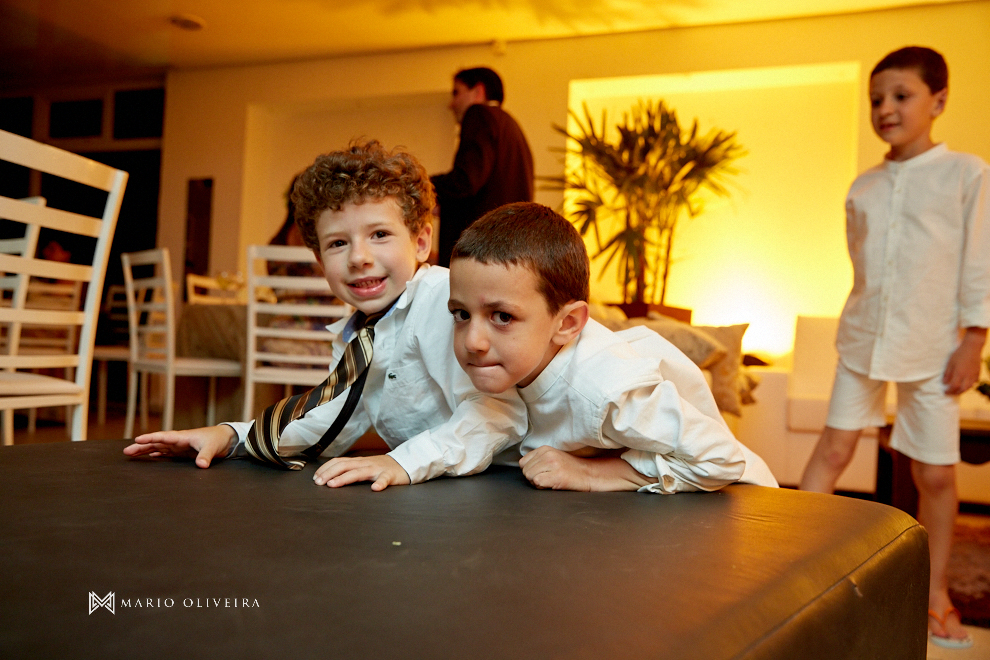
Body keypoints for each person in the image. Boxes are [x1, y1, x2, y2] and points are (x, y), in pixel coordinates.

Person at [123, 140, 527, 490]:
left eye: (379, 234)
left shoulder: (444, 303)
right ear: (319, 261)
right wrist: (231, 437)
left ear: (421, 241)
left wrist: (401, 462)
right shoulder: (358, 335)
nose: (359, 258)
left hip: (515, 485)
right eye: (337, 243)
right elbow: (329, 420)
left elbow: (498, 413)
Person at [798, 46, 990, 650]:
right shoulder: (864, 186)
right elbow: (862, 265)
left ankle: (935, 591)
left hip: (934, 347)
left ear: (938, 100)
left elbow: (979, 262)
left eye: (901, 96)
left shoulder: (968, 174)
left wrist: (974, 340)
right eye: (876, 99)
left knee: (934, 472)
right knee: (833, 450)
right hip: (862, 338)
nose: (886, 108)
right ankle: (793, 567)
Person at [443, 202, 778, 493]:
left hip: (736, 498)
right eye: (461, 314)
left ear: (567, 323)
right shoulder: (509, 366)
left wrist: (591, 473)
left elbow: (721, 458)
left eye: (502, 316)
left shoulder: (604, 388)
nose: (473, 341)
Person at [431, 67, 534, 267]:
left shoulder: (478, 113)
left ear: (478, 91)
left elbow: (466, 180)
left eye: (456, 93)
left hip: (478, 253)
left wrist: (423, 185)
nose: (451, 104)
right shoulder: (511, 127)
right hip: (506, 254)